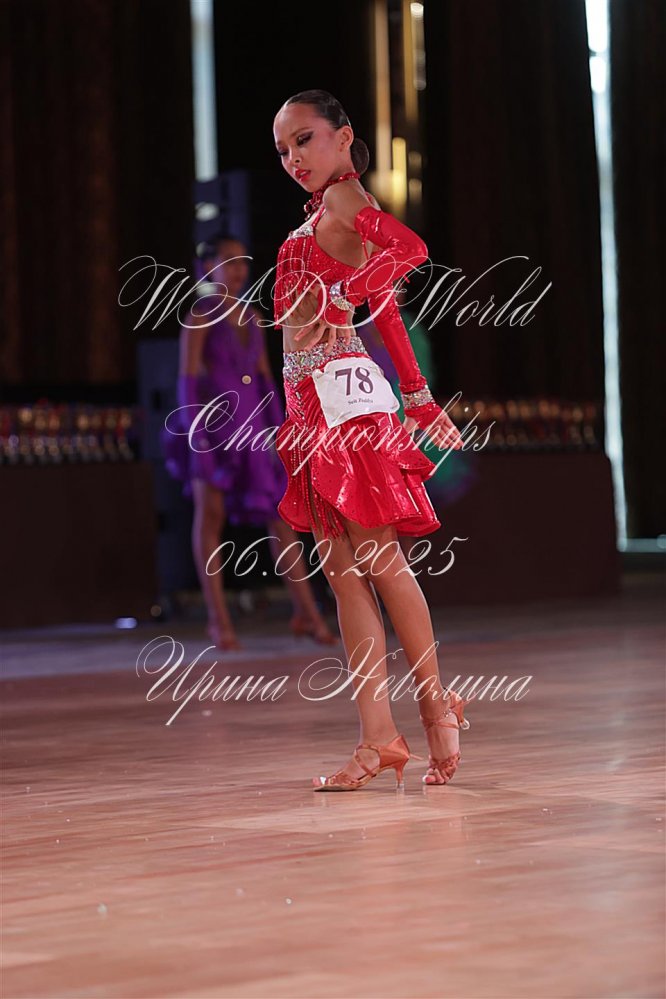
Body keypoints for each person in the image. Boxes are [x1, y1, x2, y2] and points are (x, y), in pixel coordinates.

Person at [272, 89, 474, 790]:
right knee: (344, 573)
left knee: (380, 561)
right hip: (315, 405)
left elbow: (411, 251)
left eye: (304, 139)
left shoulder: (346, 199)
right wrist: (416, 394)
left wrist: (339, 296)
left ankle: (436, 706)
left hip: (342, 408)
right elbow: (386, 308)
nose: (293, 157)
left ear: (343, 136)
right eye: (283, 149)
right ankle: (377, 738)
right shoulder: (327, 210)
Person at [162, 234, 337, 650]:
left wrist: (282, 432)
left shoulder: (254, 317)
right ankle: (218, 621)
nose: (238, 269)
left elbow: (265, 381)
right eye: (228, 260)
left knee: (281, 518)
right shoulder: (199, 316)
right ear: (208, 267)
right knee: (211, 517)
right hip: (213, 429)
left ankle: (307, 614)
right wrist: (196, 436)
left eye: (242, 261)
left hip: (254, 430)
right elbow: (187, 380)